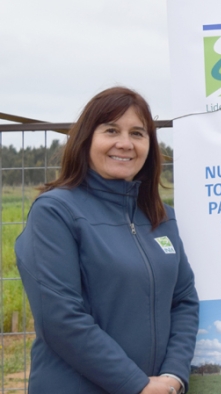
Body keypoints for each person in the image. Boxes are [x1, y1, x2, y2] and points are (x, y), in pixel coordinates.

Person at [16, 87, 199, 394]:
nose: (125, 143)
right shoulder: (55, 211)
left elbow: (183, 302)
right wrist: (136, 384)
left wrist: (172, 376)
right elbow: (60, 318)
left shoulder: (162, 217)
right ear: (86, 139)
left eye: (138, 133)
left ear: (149, 146)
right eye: (111, 130)